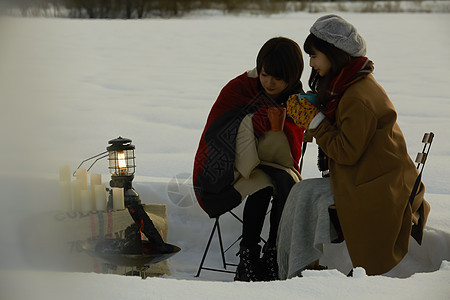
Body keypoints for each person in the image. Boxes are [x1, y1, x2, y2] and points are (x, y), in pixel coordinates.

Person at [277, 15, 430, 278]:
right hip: (374, 177)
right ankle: (301, 267)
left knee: (302, 196)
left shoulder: (357, 97)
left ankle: (297, 271)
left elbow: (346, 152)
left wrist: (315, 120)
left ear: (334, 55)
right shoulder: (350, 85)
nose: (311, 63)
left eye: (315, 56)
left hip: (378, 187)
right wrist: (319, 108)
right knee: (302, 193)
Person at [193, 37, 305, 281]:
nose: (270, 82)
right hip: (235, 167)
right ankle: (248, 256)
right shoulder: (240, 88)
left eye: (278, 78)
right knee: (263, 184)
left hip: (276, 164)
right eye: (265, 74)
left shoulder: (296, 98)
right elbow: (217, 132)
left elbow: (294, 140)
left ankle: (273, 253)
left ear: (292, 78)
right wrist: (252, 123)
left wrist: (283, 123)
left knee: (284, 183)